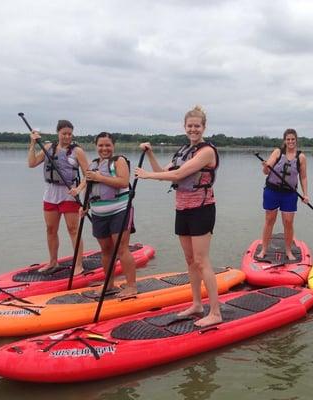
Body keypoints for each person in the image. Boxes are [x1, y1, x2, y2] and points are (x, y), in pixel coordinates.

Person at [135, 105, 221, 327]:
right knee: (190, 260)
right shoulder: (183, 151)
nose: (193, 129)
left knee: (202, 261)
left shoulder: (207, 152)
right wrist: (150, 154)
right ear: (185, 127)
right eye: (190, 126)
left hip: (202, 209)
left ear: (204, 127)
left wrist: (146, 175)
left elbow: (180, 173)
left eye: (197, 126)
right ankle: (196, 304)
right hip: (182, 209)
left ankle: (215, 312)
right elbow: (165, 173)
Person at [27, 120, 89, 274]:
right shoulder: (48, 147)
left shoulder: (77, 151)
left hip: (69, 195)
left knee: (73, 230)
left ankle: (78, 264)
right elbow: (32, 163)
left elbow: (89, 175)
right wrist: (33, 144)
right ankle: (53, 262)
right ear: (58, 133)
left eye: (70, 134)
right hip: (50, 194)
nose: (67, 137)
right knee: (50, 229)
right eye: (64, 134)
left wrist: (79, 188)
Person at [80, 132, 137, 297]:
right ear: (96, 146)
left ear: (113, 146)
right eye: (101, 145)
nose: (104, 148)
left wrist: (100, 177)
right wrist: (85, 206)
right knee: (105, 250)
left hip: (120, 210)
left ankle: (131, 286)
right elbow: (90, 187)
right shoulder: (93, 164)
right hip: (98, 212)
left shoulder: (119, 161)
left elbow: (123, 182)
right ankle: (110, 284)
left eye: (107, 145)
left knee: (122, 248)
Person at [257, 128, 309, 261]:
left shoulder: (301, 157)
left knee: (288, 222)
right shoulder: (278, 152)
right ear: (284, 141)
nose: (290, 141)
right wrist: (265, 167)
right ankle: (263, 250)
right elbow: (266, 172)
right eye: (288, 139)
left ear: (296, 140)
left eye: (293, 139)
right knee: (269, 220)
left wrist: (305, 194)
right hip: (272, 191)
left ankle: (288, 251)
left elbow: (303, 177)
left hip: (289, 194)